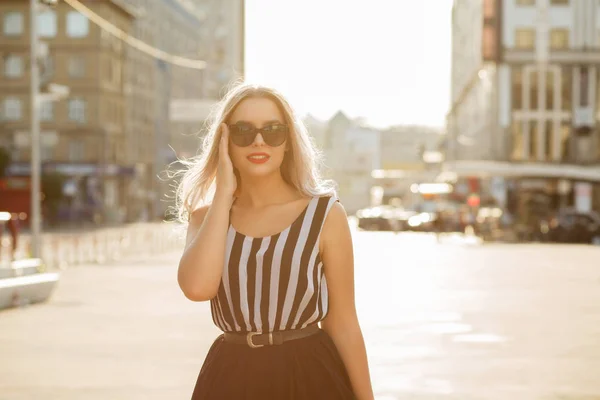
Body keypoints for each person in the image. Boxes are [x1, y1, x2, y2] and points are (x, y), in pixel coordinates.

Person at [175, 83, 374, 400]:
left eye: (273, 130)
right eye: (243, 131)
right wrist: (223, 194)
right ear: (224, 141)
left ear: (288, 143)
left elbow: (343, 321)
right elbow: (197, 288)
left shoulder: (324, 215)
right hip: (230, 375)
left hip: (310, 373)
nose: (258, 141)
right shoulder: (205, 219)